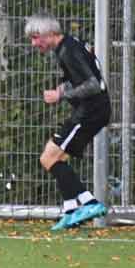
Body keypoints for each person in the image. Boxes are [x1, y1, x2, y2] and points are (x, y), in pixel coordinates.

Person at [25, 13, 110, 230]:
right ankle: (71, 210)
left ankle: (90, 203)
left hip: (91, 111)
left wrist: (60, 95)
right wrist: (61, 89)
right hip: (92, 111)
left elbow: (93, 85)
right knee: (55, 158)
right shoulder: (67, 47)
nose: (34, 43)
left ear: (50, 33)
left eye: (35, 37)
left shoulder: (69, 51)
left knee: (49, 157)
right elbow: (78, 79)